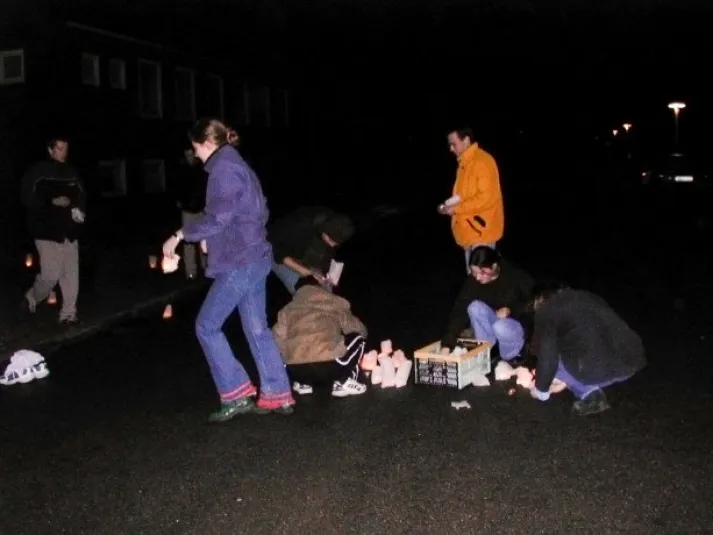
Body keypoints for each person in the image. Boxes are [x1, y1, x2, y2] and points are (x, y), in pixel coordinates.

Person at [162, 118, 294, 422]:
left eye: (195, 147)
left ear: (207, 143)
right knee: (257, 329)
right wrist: (214, 238)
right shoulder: (239, 165)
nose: (195, 154)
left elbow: (219, 217)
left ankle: (236, 394)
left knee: (207, 326)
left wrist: (179, 235)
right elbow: (255, 211)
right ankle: (277, 394)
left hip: (240, 262)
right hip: (255, 256)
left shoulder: (223, 169)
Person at [528, 283, 647, 416]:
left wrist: (541, 390)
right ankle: (566, 379)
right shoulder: (589, 297)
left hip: (599, 370)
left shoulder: (548, 309)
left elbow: (547, 356)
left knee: (551, 352)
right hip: (631, 362)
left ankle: (590, 394)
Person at [20, 136, 86, 325]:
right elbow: (27, 197)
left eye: (66, 148)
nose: (64, 153)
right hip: (46, 231)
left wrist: (79, 209)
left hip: (69, 230)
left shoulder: (71, 172)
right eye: (59, 148)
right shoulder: (38, 171)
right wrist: (51, 201)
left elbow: (82, 194)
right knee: (50, 274)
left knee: (71, 275)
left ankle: (68, 314)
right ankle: (32, 297)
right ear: (50, 150)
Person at [272, 276, 368, 397]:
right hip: (330, 367)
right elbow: (356, 327)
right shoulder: (332, 301)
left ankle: (303, 383)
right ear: (318, 286)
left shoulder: (287, 310)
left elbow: (275, 338)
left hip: (295, 371)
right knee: (358, 337)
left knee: (283, 348)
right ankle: (344, 381)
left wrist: (292, 354)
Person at [441, 246, 533, 361]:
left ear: (494, 266)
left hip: (514, 325)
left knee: (500, 326)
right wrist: (447, 344)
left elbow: (534, 302)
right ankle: (486, 351)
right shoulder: (473, 281)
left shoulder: (514, 276)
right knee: (474, 307)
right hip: (494, 322)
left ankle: (512, 355)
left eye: (482, 272)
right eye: (474, 272)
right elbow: (459, 310)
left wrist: (511, 309)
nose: (478, 277)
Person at [439, 127, 505, 272]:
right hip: (471, 231)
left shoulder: (482, 162)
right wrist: (448, 204)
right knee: (475, 278)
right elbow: (464, 195)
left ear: (466, 140)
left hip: (481, 233)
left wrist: (456, 209)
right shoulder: (465, 163)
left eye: (453, 144)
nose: (451, 149)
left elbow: (486, 198)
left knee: (482, 278)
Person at [268, 206, 355, 295]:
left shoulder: (336, 229)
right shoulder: (301, 223)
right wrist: (300, 269)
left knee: (326, 290)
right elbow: (274, 245)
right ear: (324, 231)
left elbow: (326, 255)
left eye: (336, 243)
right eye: (331, 240)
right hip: (272, 250)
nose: (333, 245)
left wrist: (327, 275)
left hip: (303, 254)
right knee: (305, 290)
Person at [175, 148, 207, 279]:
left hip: (201, 209)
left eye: (190, 153)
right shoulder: (182, 170)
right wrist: (180, 201)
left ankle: (206, 267)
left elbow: (206, 187)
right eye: (186, 154)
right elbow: (177, 187)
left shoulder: (202, 169)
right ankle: (190, 271)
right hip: (187, 210)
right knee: (188, 240)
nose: (189, 156)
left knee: (204, 239)